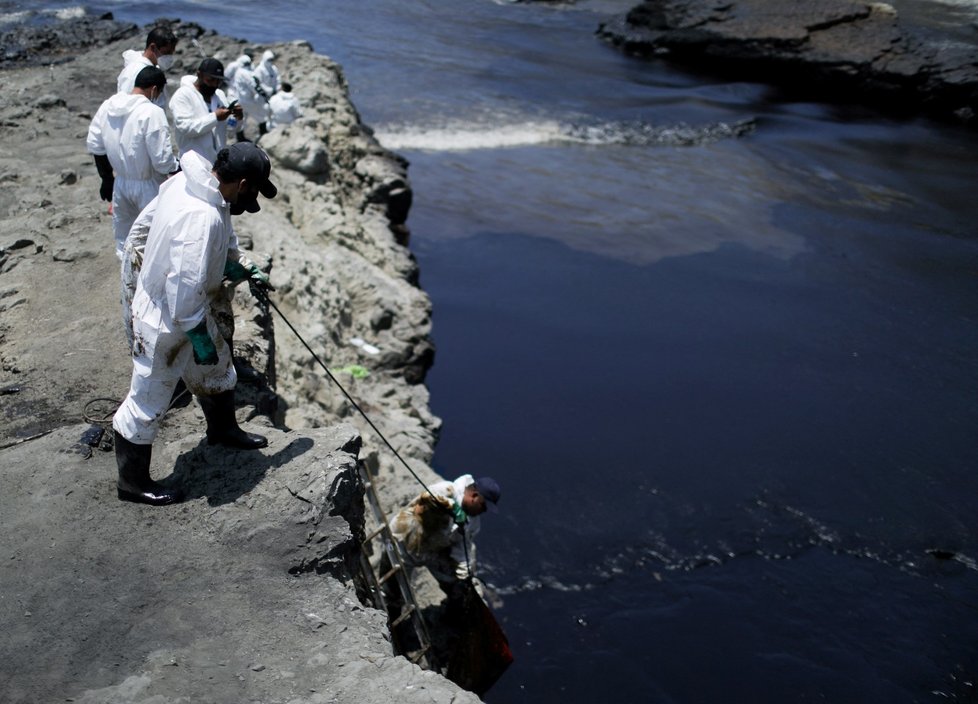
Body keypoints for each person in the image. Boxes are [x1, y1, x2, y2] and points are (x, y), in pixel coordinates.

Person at [112, 143, 277, 506]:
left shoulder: (193, 186)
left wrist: (239, 264)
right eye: (253, 190)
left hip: (188, 312)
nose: (252, 199)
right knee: (147, 401)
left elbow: (211, 243)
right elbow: (184, 288)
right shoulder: (200, 217)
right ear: (243, 182)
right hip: (166, 322)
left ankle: (223, 430)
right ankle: (133, 483)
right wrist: (198, 336)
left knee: (218, 369)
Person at [86, 66, 178, 261]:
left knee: (124, 239)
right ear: (154, 89)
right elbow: (162, 161)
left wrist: (106, 178)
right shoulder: (152, 112)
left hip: (120, 184)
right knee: (154, 240)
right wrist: (176, 167)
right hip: (149, 185)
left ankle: (128, 281)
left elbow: (95, 144)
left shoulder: (108, 106)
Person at [388, 475, 501, 593]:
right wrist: (453, 508)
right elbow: (428, 497)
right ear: (475, 496)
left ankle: (458, 601)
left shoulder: (473, 523)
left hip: (428, 552)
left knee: (455, 584)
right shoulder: (449, 489)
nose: (483, 511)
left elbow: (462, 545)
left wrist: (464, 574)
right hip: (401, 541)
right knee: (393, 590)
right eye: (483, 506)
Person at [169, 58, 242, 163]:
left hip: (217, 164)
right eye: (211, 80)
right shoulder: (183, 96)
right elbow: (186, 128)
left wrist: (238, 117)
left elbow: (230, 129)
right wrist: (215, 117)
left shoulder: (219, 95)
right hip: (194, 164)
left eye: (218, 81)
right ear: (199, 74)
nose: (214, 84)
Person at [116, 26, 178, 95]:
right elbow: (128, 102)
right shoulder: (135, 72)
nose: (169, 57)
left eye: (171, 53)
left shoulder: (154, 68)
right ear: (153, 47)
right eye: (166, 53)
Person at [228, 53, 269, 141]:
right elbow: (253, 85)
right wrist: (263, 95)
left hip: (238, 99)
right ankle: (264, 133)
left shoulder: (238, 72)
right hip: (247, 100)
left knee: (241, 119)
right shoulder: (246, 73)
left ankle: (240, 138)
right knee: (261, 115)